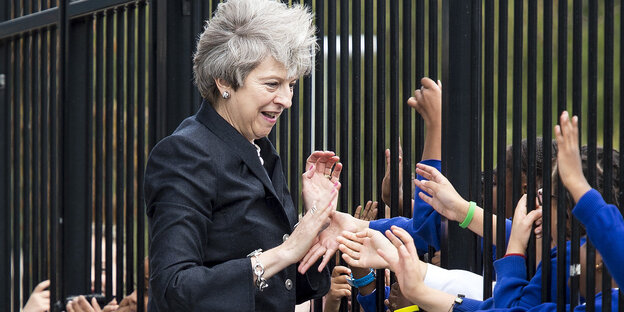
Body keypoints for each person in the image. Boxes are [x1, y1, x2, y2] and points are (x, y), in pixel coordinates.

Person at [144, 1, 339, 311]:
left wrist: (317, 225)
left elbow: (284, 289)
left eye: (291, 85)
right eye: (272, 84)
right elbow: (173, 287)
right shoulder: (184, 153)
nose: (286, 100)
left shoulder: (260, 151)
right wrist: (286, 250)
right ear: (224, 81)